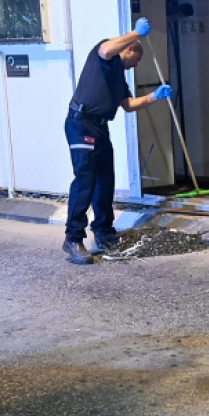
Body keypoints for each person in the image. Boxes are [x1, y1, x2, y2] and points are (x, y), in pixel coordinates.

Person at [63, 18, 172, 265]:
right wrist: (136, 33)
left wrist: (154, 96)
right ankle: (73, 238)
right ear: (130, 49)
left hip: (100, 128)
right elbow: (106, 49)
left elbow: (129, 105)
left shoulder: (119, 78)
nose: (136, 65)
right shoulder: (105, 56)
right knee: (85, 181)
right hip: (82, 124)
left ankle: (104, 233)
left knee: (105, 182)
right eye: (137, 59)